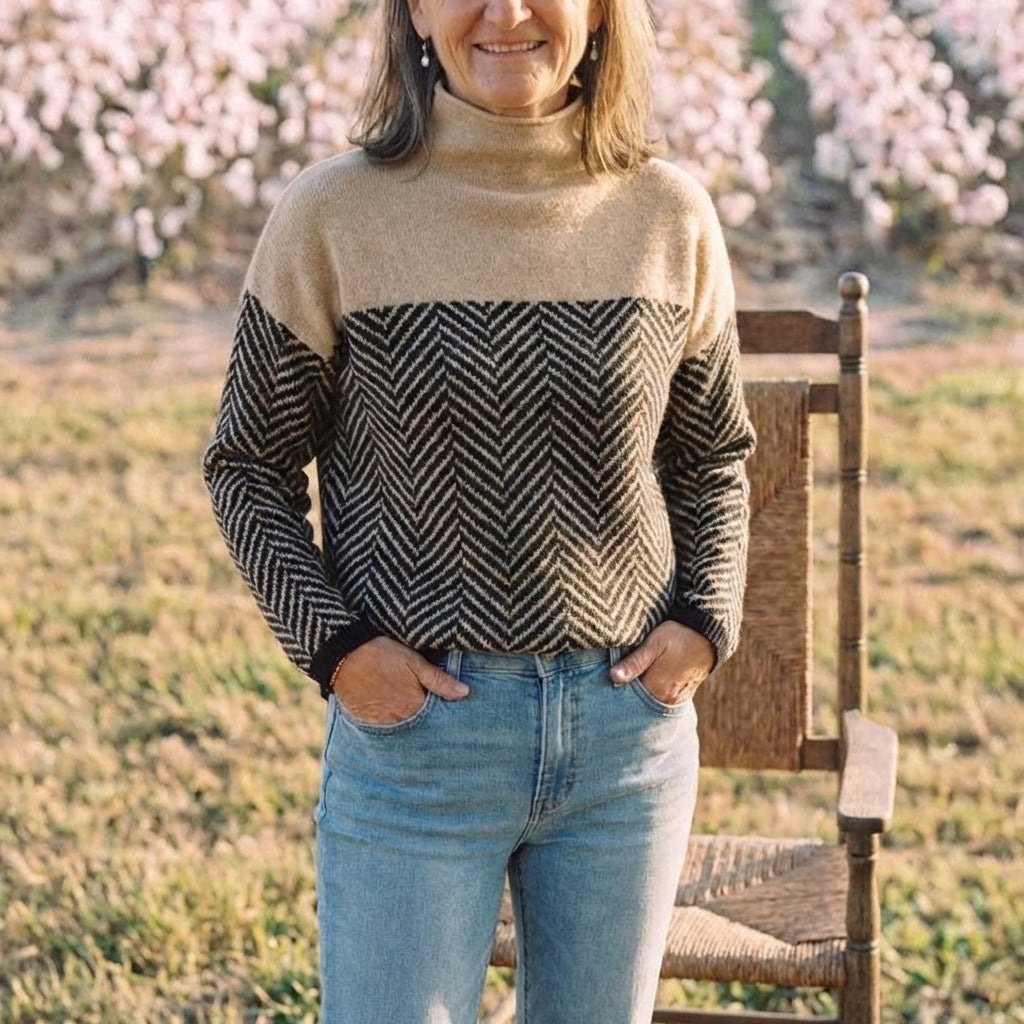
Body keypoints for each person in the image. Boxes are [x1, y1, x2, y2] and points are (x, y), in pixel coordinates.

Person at [203, 0, 756, 1020]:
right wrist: (337, 650)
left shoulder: (667, 213)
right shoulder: (333, 215)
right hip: (417, 748)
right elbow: (247, 463)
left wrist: (703, 623)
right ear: (415, 10)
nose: (504, 12)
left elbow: (711, 453)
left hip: (624, 744)